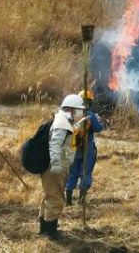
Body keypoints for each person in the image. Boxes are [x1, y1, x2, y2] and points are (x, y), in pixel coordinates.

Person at [39, 93, 87, 240]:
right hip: (55, 168)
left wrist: (80, 127)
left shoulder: (65, 121)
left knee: (50, 196)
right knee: (57, 199)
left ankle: (45, 226)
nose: (81, 112)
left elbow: (69, 139)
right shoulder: (62, 123)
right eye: (80, 110)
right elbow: (55, 145)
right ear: (72, 109)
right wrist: (56, 165)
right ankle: (50, 231)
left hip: (58, 166)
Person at [65, 90, 104, 206]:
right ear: (90, 102)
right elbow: (99, 129)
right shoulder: (90, 115)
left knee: (72, 173)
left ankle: (68, 200)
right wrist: (98, 120)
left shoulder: (71, 114)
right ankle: (82, 199)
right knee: (85, 173)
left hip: (72, 148)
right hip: (87, 149)